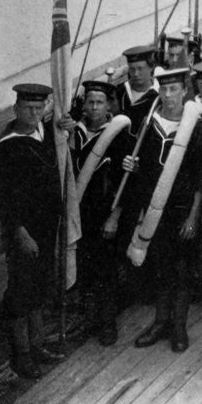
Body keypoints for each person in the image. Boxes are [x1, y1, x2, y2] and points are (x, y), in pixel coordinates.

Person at [121, 68, 202, 353]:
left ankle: (179, 325)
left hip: (182, 209)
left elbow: (200, 177)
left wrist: (194, 216)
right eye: (164, 90)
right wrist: (131, 167)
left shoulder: (194, 125)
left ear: (185, 91)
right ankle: (160, 322)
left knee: (182, 269)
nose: (169, 96)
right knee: (160, 267)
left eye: (174, 90)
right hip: (154, 209)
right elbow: (142, 167)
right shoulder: (150, 123)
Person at [0, 83, 66, 379]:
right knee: (22, 292)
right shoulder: (6, 147)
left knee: (40, 287)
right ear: (16, 109)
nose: (34, 113)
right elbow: (4, 199)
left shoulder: (44, 133)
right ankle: (21, 354)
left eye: (39, 108)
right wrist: (20, 233)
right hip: (24, 232)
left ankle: (38, 345)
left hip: (47, 227)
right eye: (28, 108)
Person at [69, 80, 124, 346]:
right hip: (78, 213)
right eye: (90, 102)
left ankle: (107, 323)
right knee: (84, 269)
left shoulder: (119, 135)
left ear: (108, 105)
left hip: (105, 214)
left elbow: (128, 183)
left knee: (106, 271)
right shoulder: (73, 134)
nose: (94, 107)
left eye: (99, 102)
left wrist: (115, 216)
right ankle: (89, 320)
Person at [116, 45, 158, 136]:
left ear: (151, 67)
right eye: (132, 69)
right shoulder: (120, 92)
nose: (136, 74)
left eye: (140, 69)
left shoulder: (159, 96)